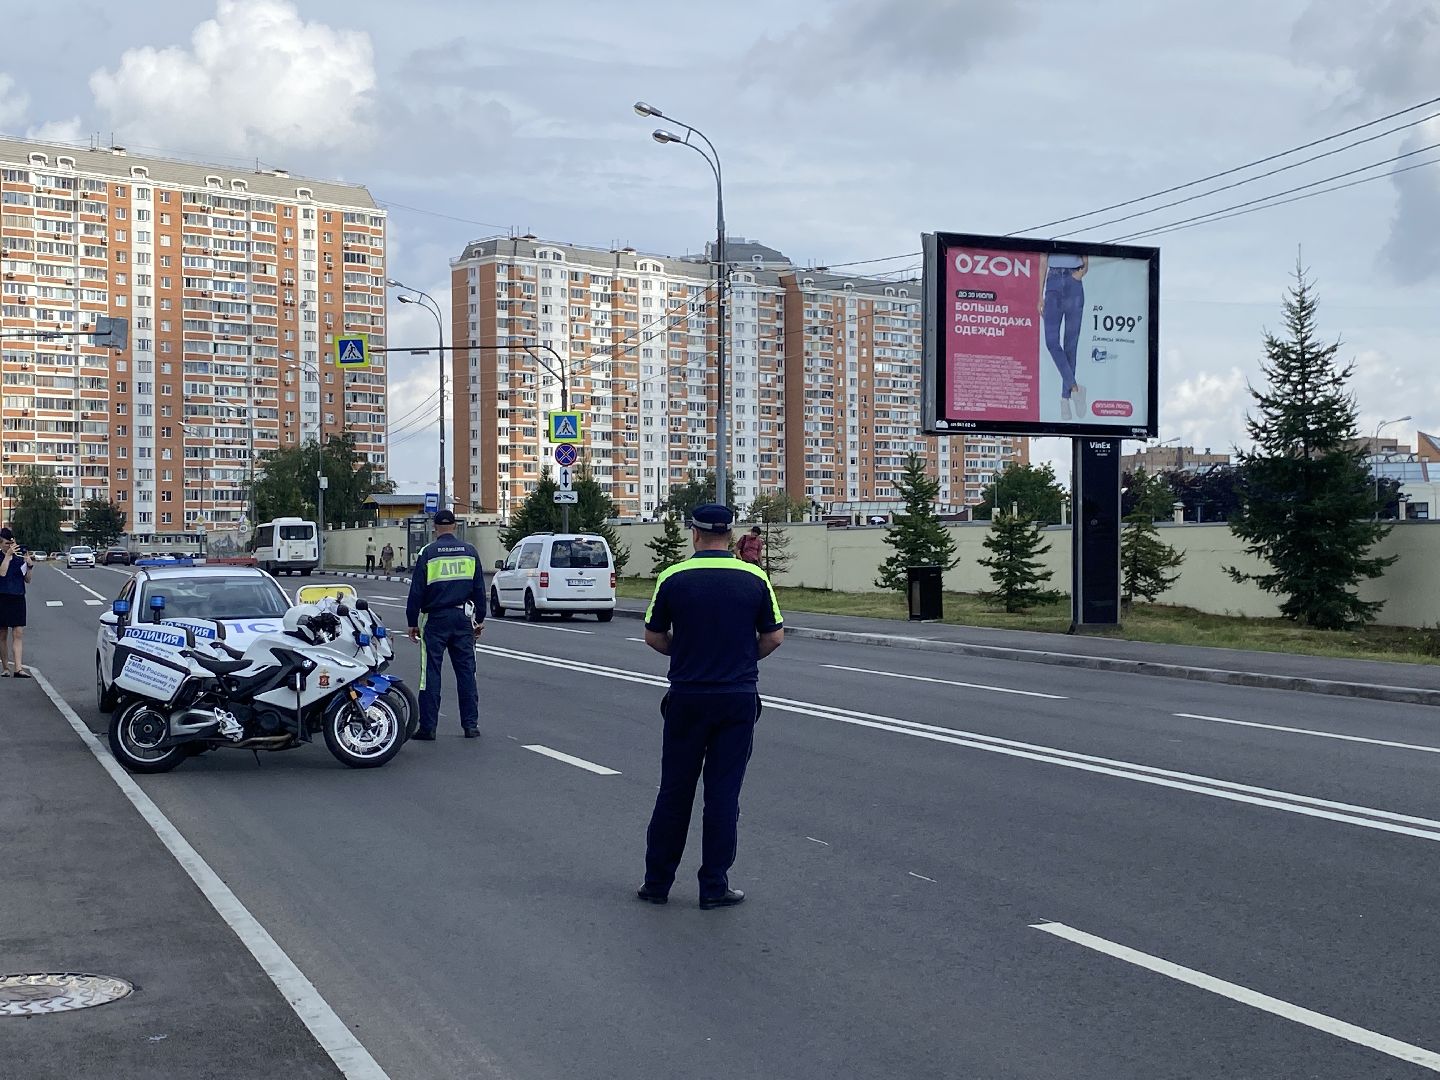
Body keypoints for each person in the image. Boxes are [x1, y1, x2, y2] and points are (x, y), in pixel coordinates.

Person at [638, 503, 785, 909]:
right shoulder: (755, 577)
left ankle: (657, 883)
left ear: (695, 534)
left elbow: (653, 636)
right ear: (731, 535)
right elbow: (774, 637)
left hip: (688, 695)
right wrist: (739, 660)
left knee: (674, 791)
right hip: (737, 697)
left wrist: (685, 653)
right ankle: (714, 886)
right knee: (723, 794)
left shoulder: (673, 577)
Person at [405, 510, 486, 740]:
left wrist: (412, 621)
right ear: (454, 526)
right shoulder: (470, 552)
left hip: (435, 619)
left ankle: (428, 727)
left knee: (430, 673)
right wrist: (479, 619)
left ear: (435, 528)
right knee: (466, 673)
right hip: (463, 619)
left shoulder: (428, 553)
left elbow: (417, 591)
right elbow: (479, 589)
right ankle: (470, 725)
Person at [1039, 253, 1089, 421]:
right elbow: (1043, 260)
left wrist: (1083, 271)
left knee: (1070, 345)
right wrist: (1040, 296)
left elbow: (1086, 253)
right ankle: (1075, 389)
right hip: (1053, 281)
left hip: (1073, 280)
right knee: (1051, 342)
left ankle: (1065, 399)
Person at [0, 527, 35, 678]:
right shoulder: (2, 557)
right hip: (2, 597)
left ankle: (18, 668)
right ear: (1, 544)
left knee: (18, 632)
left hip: (18, 597)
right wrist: (7, 556)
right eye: (7, 543)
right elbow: (2, 573)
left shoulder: (19, 559)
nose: (10, 546)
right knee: (2, 634)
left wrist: (30, 566)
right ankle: (6, 667)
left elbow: (27, 580)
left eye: (12, 543)